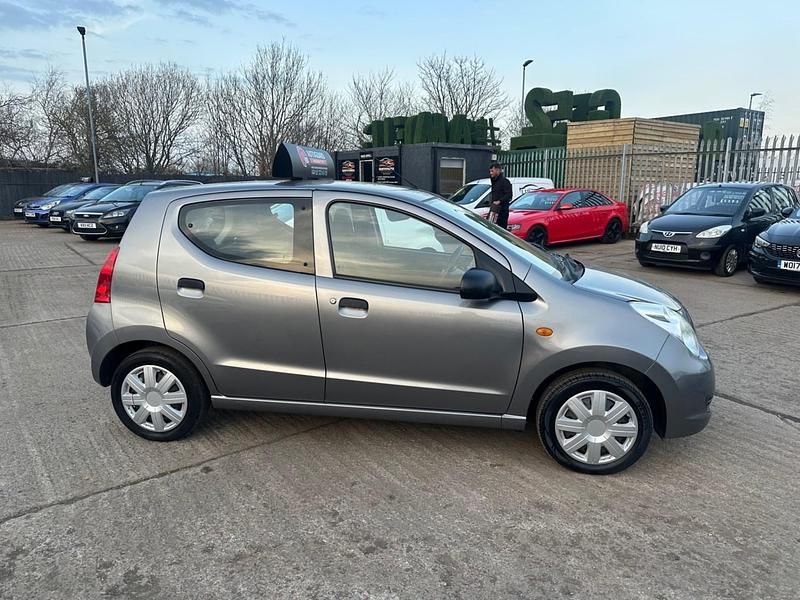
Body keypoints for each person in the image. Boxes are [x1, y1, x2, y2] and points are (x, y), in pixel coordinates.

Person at [488, 162, 512, 229]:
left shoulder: (505, 181)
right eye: (490, 171)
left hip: (502, 211)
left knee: (501, 228)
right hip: (494, 209)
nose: (491, 173)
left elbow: (509, 195)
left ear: (498, 170)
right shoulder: (494, 181)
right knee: (491, 227)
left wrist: (499, 201)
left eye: (492, 171)